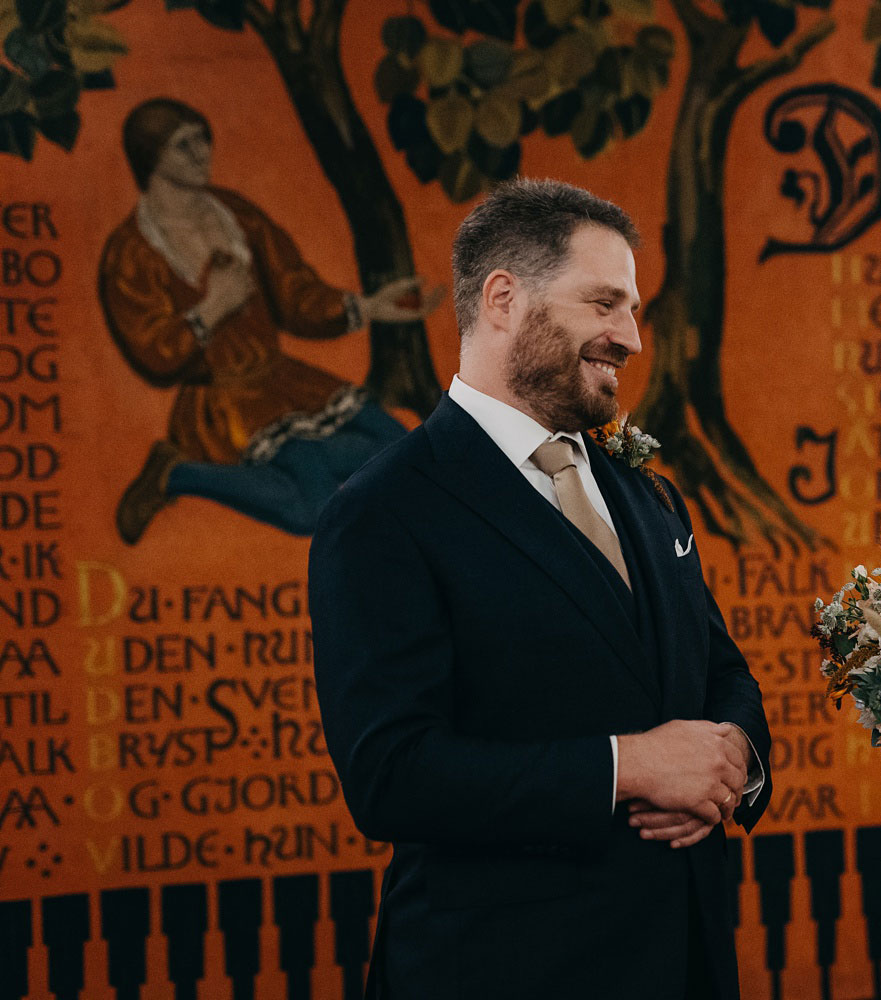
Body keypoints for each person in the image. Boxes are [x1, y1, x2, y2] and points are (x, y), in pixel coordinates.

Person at [309, 178, 771, 1000]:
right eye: (604, 304)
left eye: (631, 310)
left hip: (687, 962)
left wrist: (735, 759)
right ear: (501, 299)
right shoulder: (384, 511)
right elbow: (391, 774)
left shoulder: (644, 489)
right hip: (507, 968)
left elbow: (720, 673)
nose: (630, 337)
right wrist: (626, 766)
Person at [99, 97, 442, 543]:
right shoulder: (131, 251)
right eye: (184, 145)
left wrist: (367, 307)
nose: (202, 152)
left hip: (286, 381)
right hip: (226, 405)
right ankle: (179, 474)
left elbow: (293, 293)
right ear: (150, 156)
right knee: (313, 510)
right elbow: (153, 352)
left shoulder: (234, 213)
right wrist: (212, 309)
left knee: (400, 451)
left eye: (204, 139)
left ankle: (278, 463)